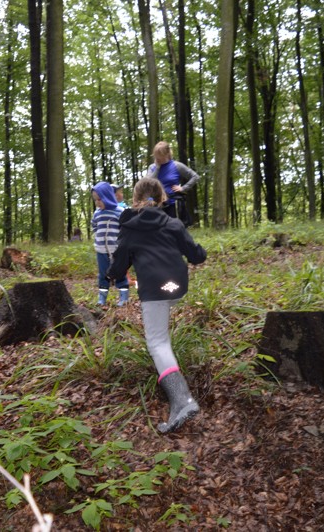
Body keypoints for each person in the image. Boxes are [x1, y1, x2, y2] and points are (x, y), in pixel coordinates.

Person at [107, 177, 207, 433]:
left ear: (135, 199)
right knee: (164, 312)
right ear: (162, 197)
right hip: (176, 287)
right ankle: (179, 395)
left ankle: (182, 399)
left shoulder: (129, 227)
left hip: (154, 287)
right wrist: (200, 252)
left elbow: (119, 265)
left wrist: (111, 275)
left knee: (157, 342)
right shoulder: (173, 223)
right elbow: (196, 255)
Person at [91, 181, 130, 306]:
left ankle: (123, 297)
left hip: (117, 250)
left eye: (99, 199)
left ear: (108, 196)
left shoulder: (120, 211)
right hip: (101, 250)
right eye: (95, 200)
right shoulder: (97, 213)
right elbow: (94, 226)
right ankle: (102, 298)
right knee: (103, 275)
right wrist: (99, 238)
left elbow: (126, 229)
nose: (97, 202)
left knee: (120, 273)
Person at [145, 141, 200, 227]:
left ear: (166, 154)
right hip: (156, 205)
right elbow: (148, 183)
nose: (157, 158)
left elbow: (195, 176)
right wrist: (158, 168)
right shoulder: (152, 167)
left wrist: (184, 188)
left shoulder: (176, 166)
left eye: (159, 155)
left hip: (173, 204)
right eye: (156, 155)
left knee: (175, 229)